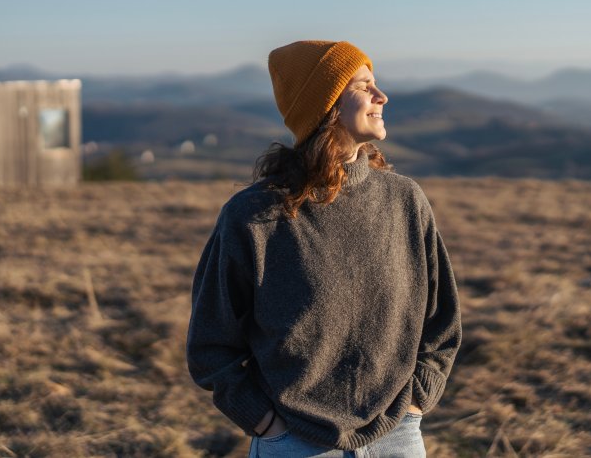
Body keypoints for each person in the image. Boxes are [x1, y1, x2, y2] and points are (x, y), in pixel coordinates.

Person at [186, 40, 461, 457]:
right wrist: (267, 425)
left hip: (397, 437)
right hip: (294, 442)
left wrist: (416, 402)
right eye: (363, 85)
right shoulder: (254, 216)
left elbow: (441, 320)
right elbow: (211, 343)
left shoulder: (405, 201)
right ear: (326, 105)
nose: (382, 96)